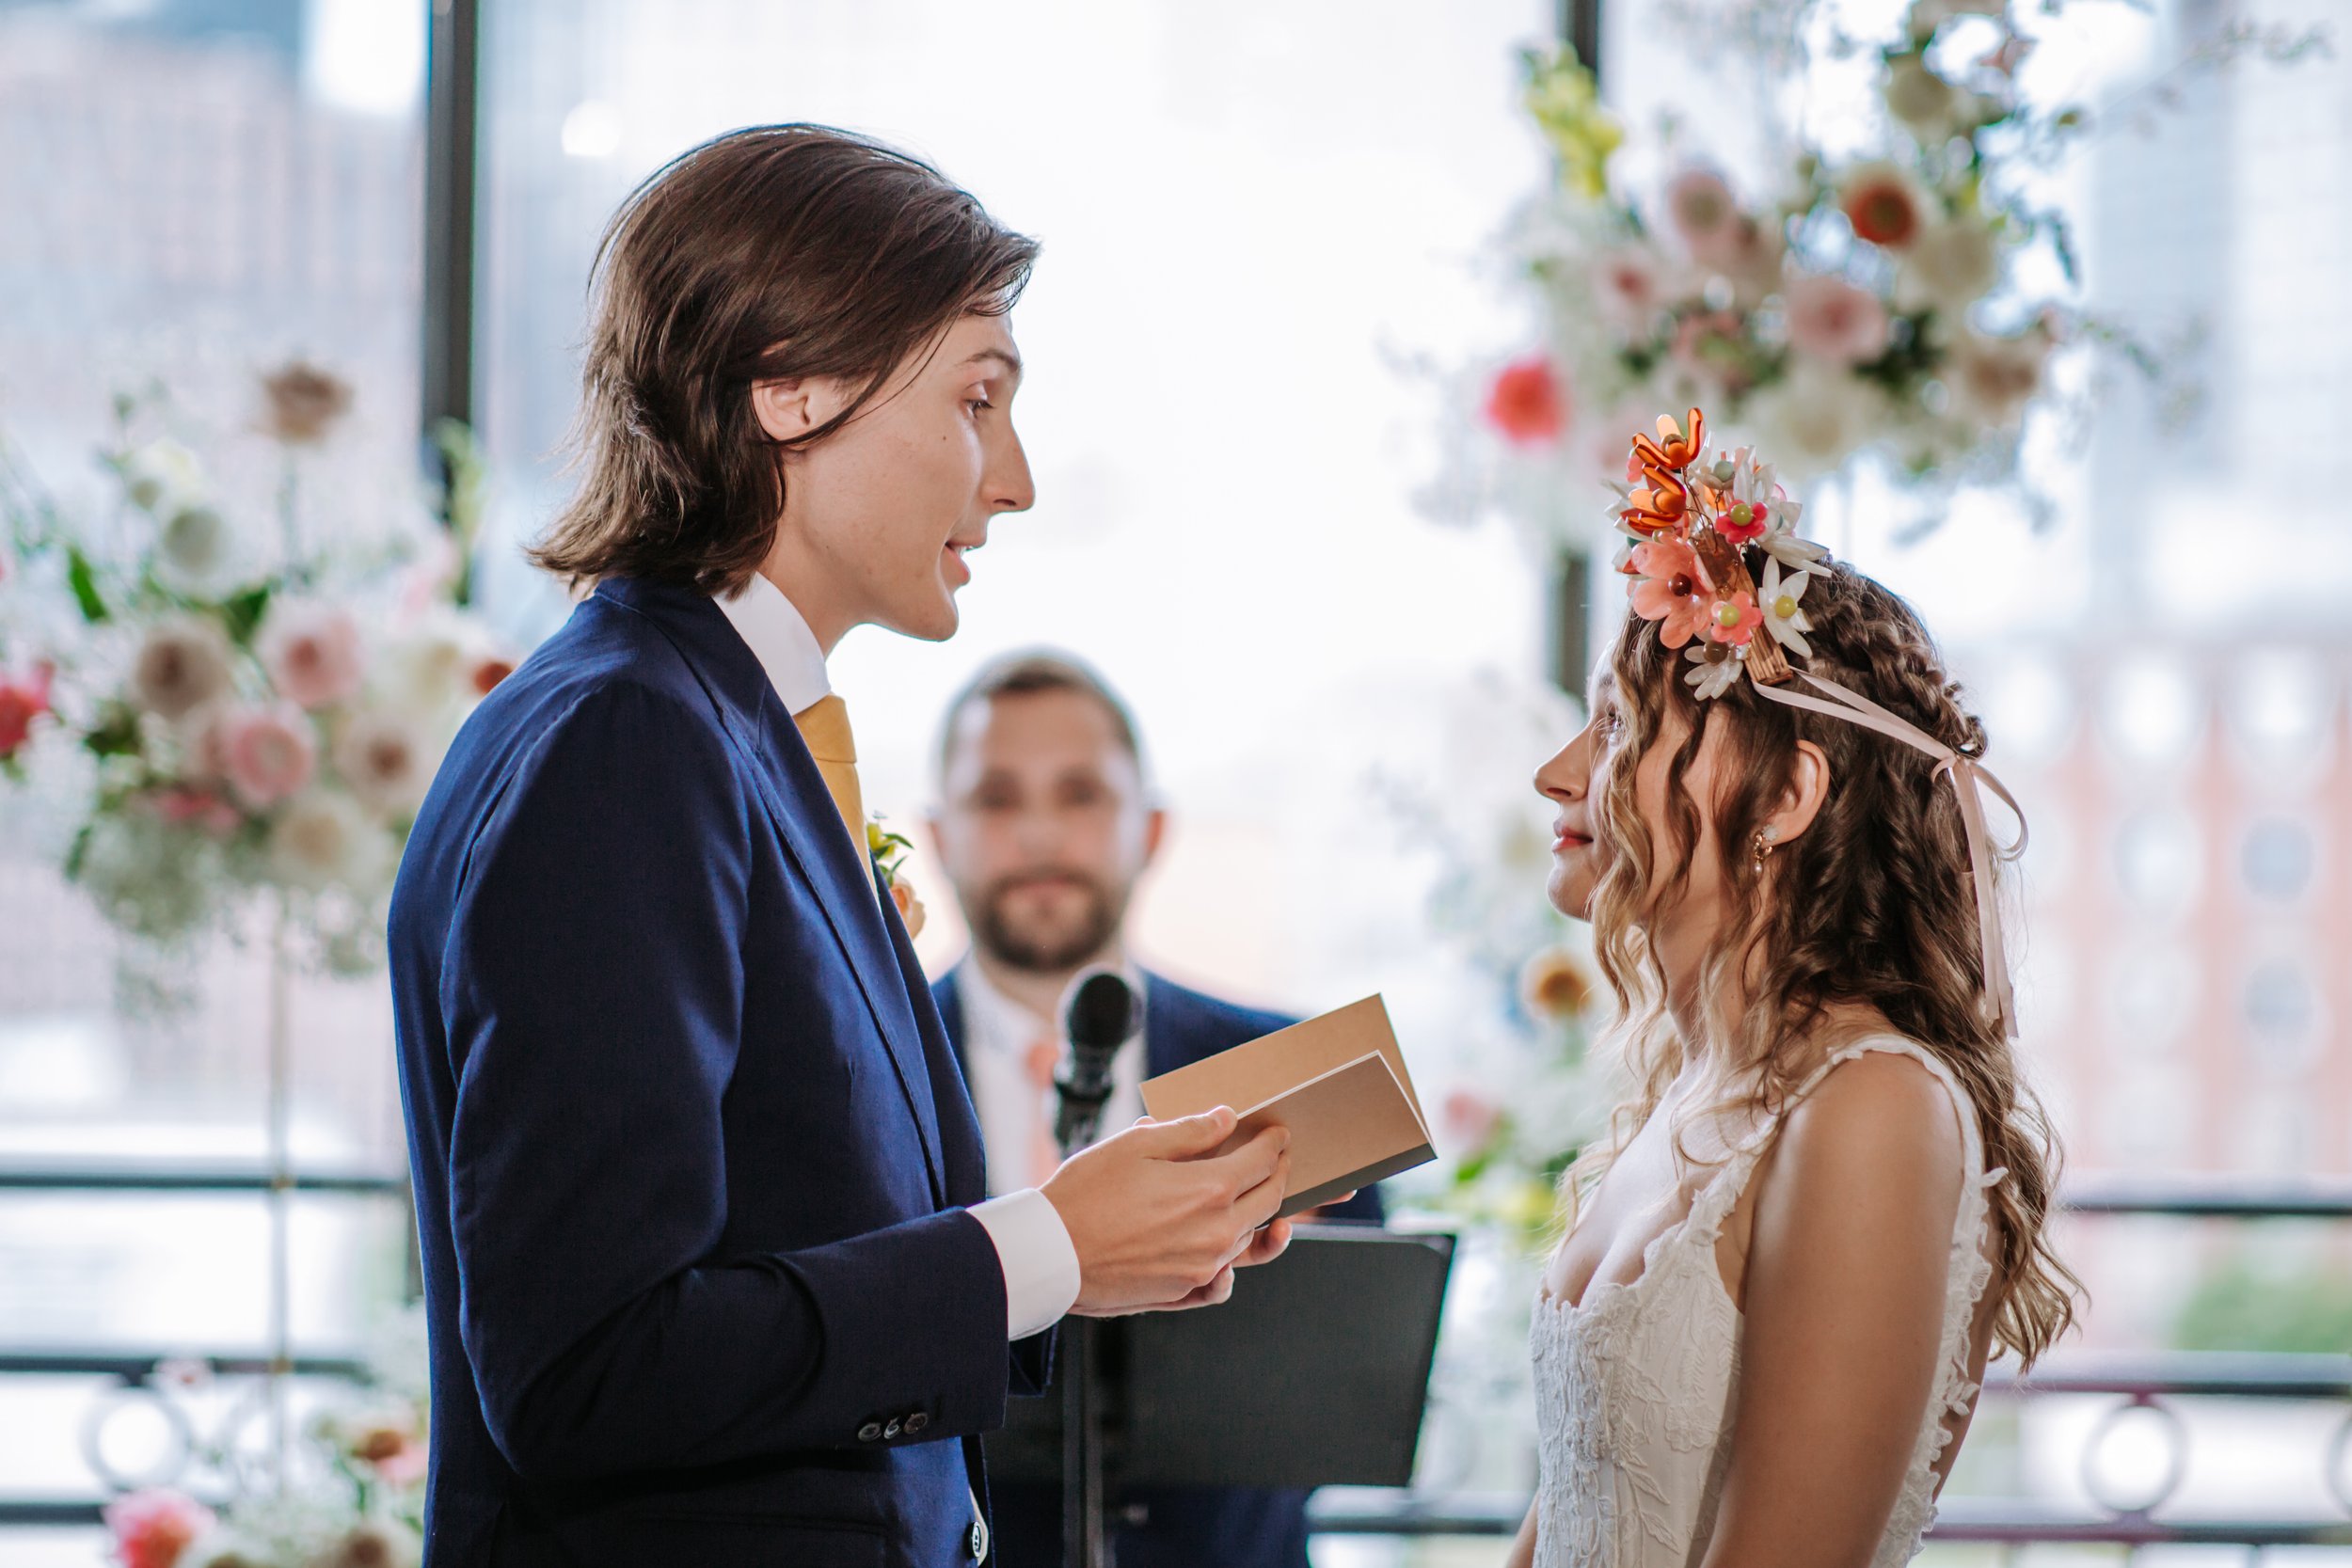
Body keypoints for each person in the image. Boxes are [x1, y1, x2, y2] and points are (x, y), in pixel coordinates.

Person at [388, 126, 1298, 1568]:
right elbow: (588, 1364)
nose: (1016, 479)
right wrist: (1044, 1252)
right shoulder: (619, 745)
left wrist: (1095, 1246)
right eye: (978, 399)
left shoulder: (720, 725)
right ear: (792, 387)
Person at [1506, 411, 2079, 1568]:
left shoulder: (1869, 1105)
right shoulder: (1692, 1091)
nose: (1558, 772)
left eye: (1619, 727)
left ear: (1785, 796)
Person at [924, 650, 1381, 1568]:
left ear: (1153, 828)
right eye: (997, 797)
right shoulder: (860, 1069)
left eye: (1082, 793)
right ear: (937, 838)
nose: (1042, 834)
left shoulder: (1298, 1071)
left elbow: (1340, 1398)